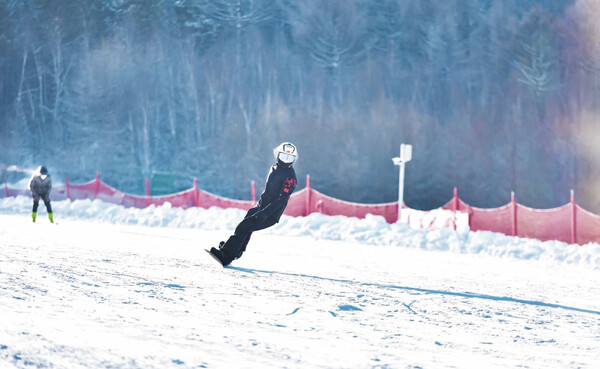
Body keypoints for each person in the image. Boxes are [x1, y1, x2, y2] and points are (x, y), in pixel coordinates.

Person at [209, 142, 298, 266]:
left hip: (270, 213)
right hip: (261, 207)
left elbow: (281, 199)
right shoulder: (275, 168)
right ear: (277, 155)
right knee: (247, 226)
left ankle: (226, 255)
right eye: (284, 157)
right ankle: (236, 251)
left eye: (290, 158)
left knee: (244, 227)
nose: (286, 161)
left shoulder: (290, 177)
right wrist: (260, 208)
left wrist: (265, 213)